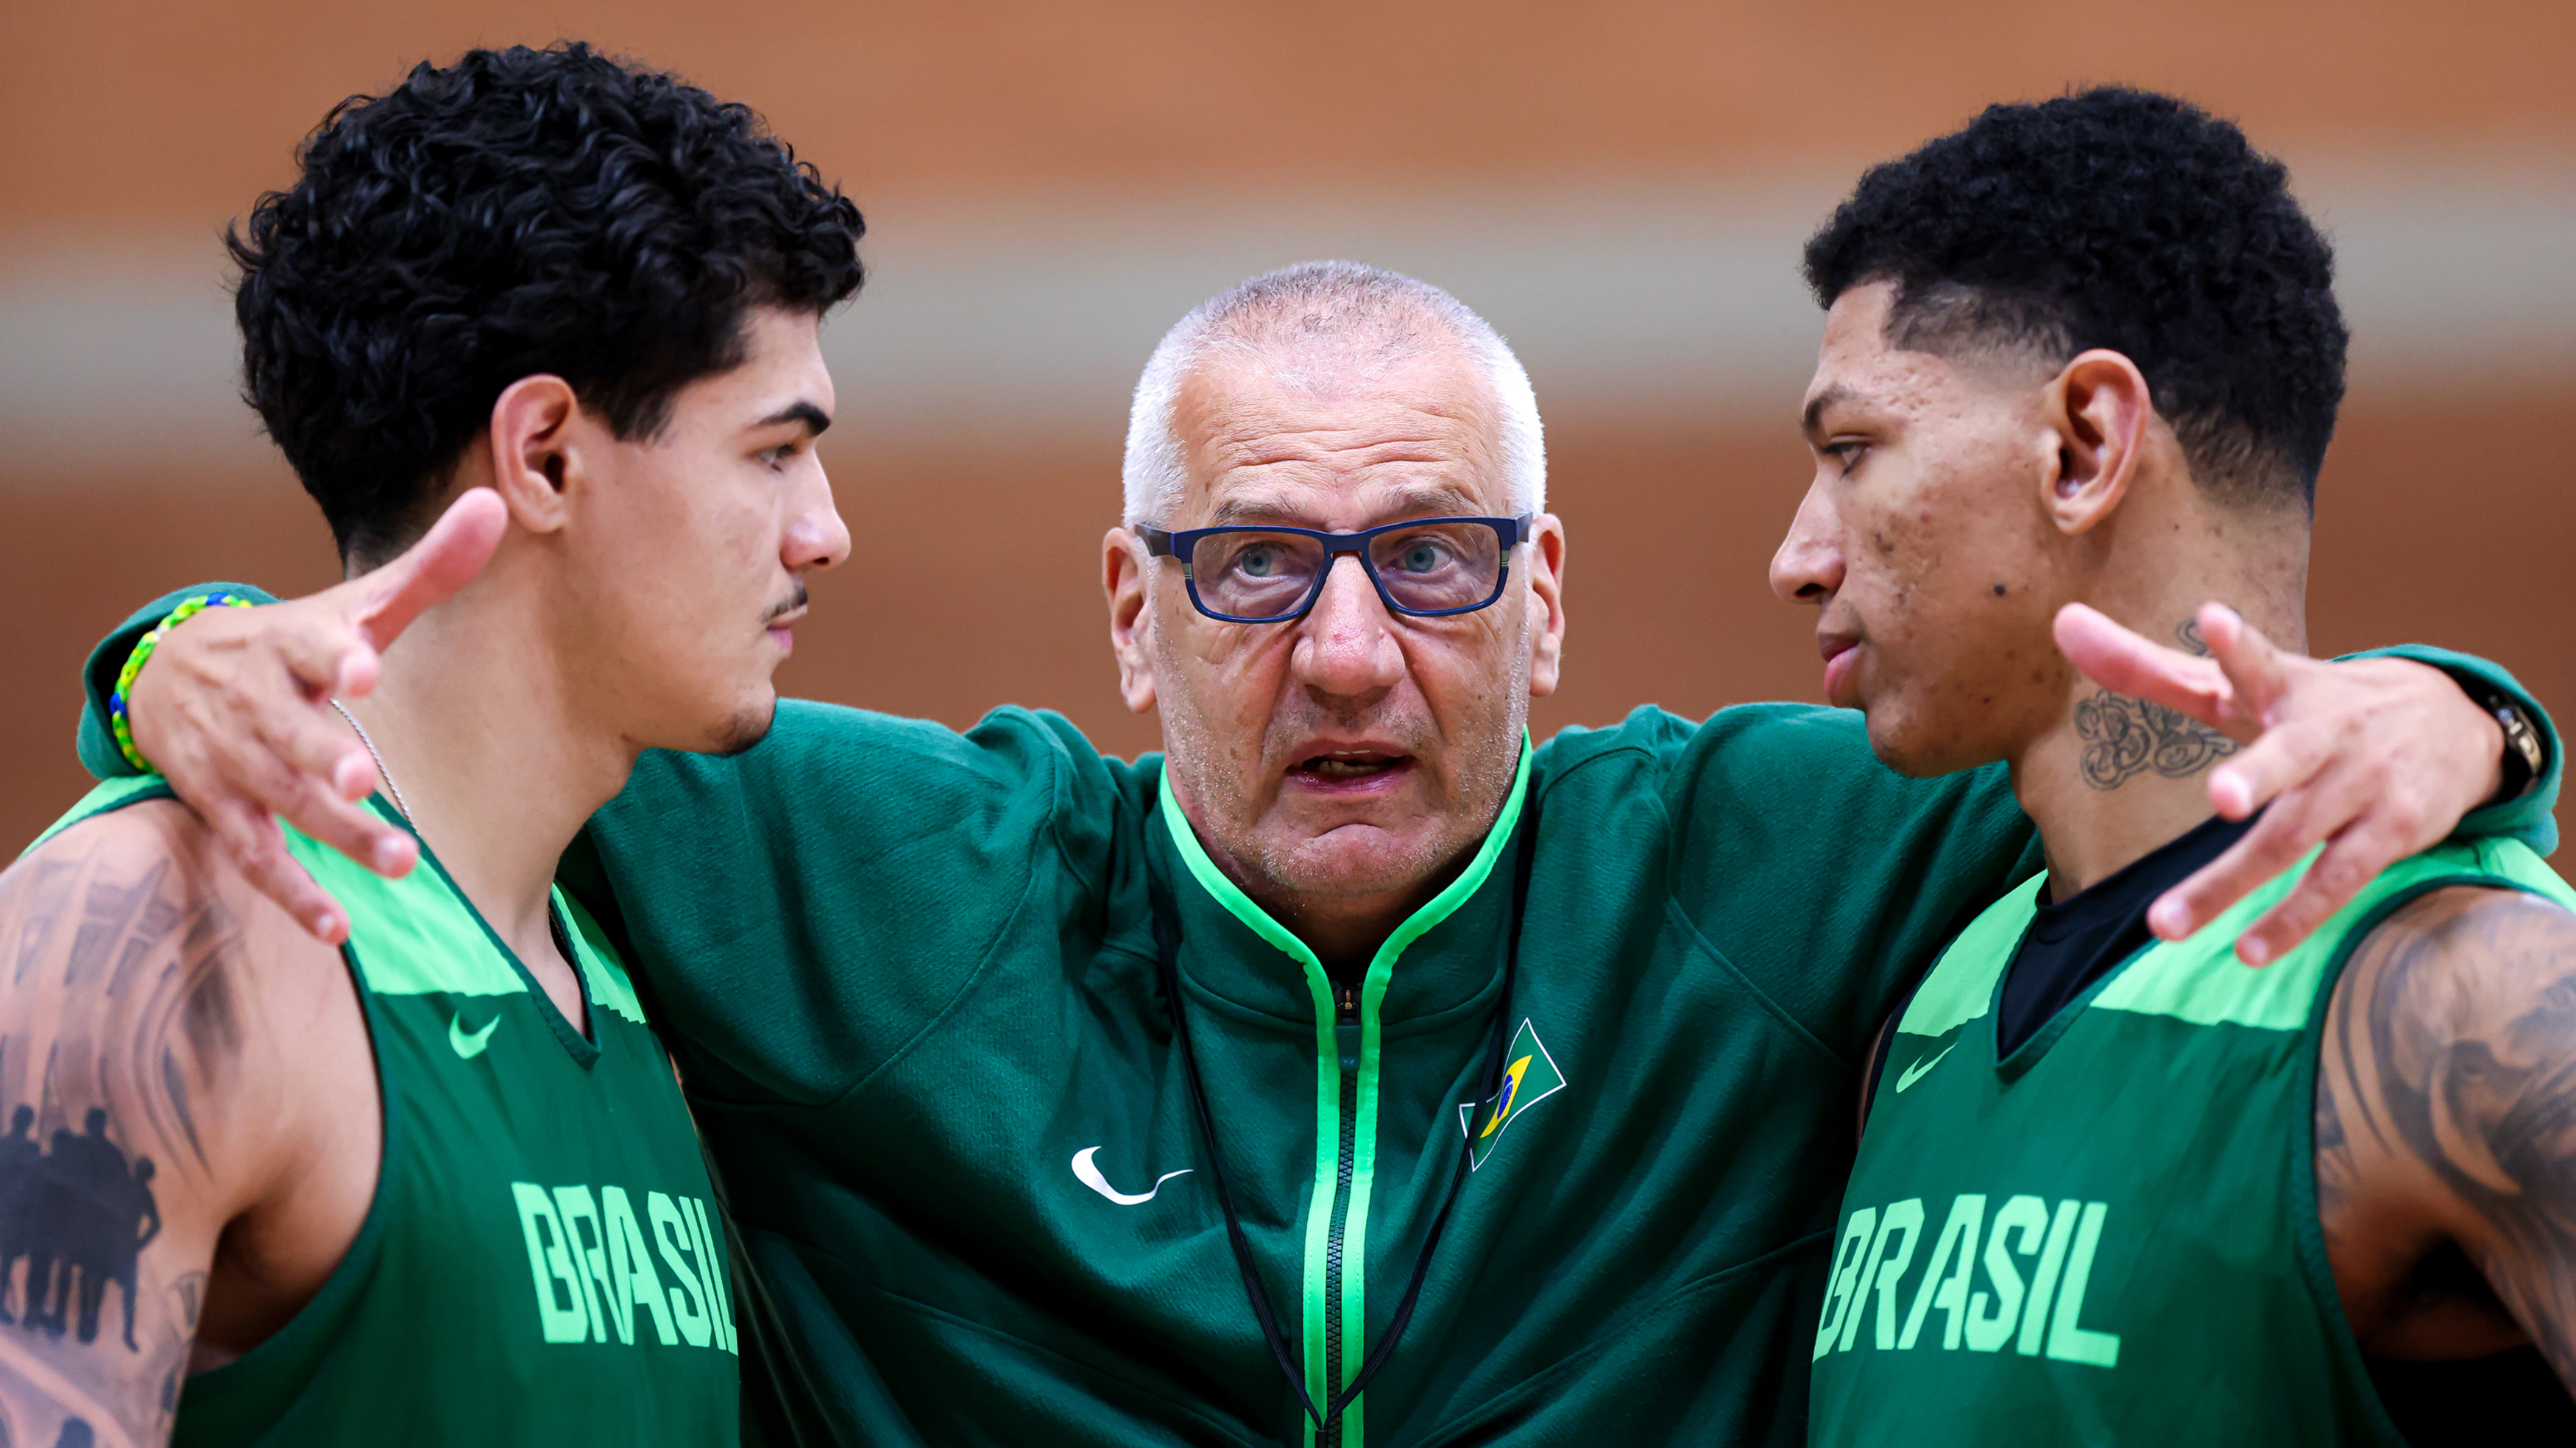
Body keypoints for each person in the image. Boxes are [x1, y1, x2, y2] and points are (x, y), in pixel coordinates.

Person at [68, 260, 2552, 1442]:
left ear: (1551, 598)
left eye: (1440, 557)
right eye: (1252, 564)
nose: (1349, 650)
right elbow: (475, 685)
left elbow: (2153, 729)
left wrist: (2466, 717)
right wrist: (168, 644)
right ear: (1128, 616)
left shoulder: (1773, 861)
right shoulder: (875, 873)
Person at [0, 43, 863, 1447]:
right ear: (543, 456)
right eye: (774, 450)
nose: (824, 529)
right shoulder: (152, 928)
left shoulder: (636, 972)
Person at [1777, 89, 2575, 1446]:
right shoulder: (1929, 1019)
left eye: (1854, 453)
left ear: (2085, 444)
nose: (1798, 556)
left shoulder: (2467, 1005)